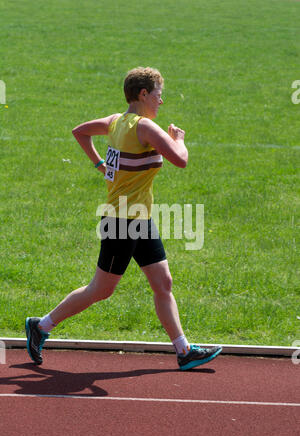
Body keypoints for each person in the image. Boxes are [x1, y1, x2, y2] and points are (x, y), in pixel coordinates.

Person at [25, 66, 222, 370]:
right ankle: (41, 326)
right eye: (158, 94)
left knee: (163, 282)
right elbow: (180, 159)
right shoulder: (145, 128)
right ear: (143, 94)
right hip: (121, 221)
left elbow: (80, 131)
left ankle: (183, 351)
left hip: (139, 218)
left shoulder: (116, 121)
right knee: (101, 290)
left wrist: (100, 165)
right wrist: (178, 138)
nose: (161, 101)